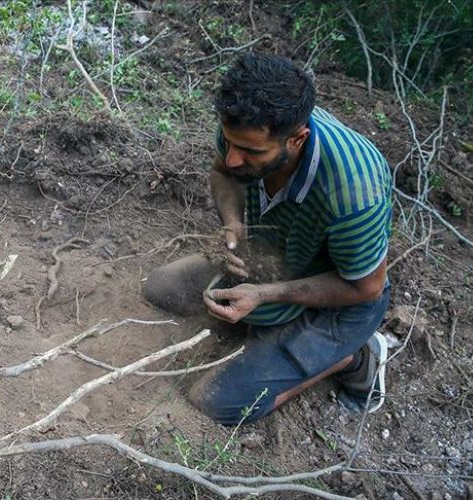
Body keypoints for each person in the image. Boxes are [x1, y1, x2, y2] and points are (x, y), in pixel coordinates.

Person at [143, 53, 392, 425]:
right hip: (273, 257)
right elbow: (222, 174)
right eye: (230, 144)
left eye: (250, 152)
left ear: (297, 139)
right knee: (159, 288)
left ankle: (353, 356)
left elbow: (366, 287)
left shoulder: (354, 191)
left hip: (340, 300)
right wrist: (233, 224)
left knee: (215, 404)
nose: (233, 159)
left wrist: (263, 295)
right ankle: (264, 327)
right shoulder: (242, 130)